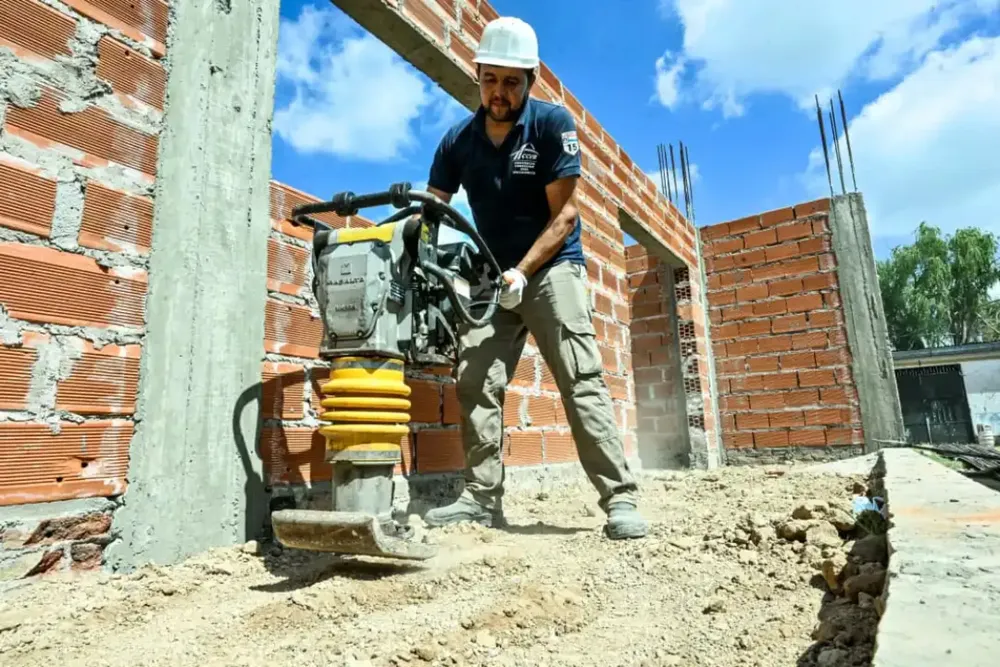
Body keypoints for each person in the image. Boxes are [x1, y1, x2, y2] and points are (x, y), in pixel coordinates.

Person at [421, 16, 648, 540]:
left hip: (550, 267)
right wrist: (412, 240)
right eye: (490, 80)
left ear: (530, 80)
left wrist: (523, 272)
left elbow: (565, 215)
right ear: (477, 75)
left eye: (511, 81)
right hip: (493, 275)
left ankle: (619, 498)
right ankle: (481, 499)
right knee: (475, 378)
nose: (499, 93)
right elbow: (432, 210)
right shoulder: (457, 141)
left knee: (579, 377)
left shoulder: (551, 124)